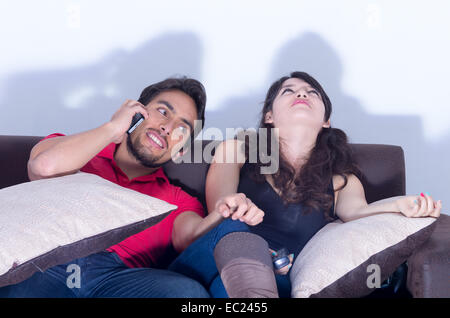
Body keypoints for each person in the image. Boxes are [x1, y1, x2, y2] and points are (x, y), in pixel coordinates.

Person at [166, 71, 442, 298]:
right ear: (269, 116)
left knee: (245, 287)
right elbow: (223, 212)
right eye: (289, 91)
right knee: (234, 232)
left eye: (312, 92)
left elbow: (358, 213)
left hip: (283, 281)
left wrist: (401, 205)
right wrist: (255, 242)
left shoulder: (340, 181)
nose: (301, 94)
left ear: (325, 121)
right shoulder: (237, 150)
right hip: (219, 259)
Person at [0, 76, 238, 298]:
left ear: (182, 150)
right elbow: (44, 166)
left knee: (187, 292)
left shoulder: (178, 199)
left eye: (182, 129)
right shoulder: (78, 153)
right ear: (135, 113)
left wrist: (228, 208)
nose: (167, 127)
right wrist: (113, 128)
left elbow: (193, 236)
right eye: (163, 112)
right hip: (50, 262)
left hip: (119, 280)